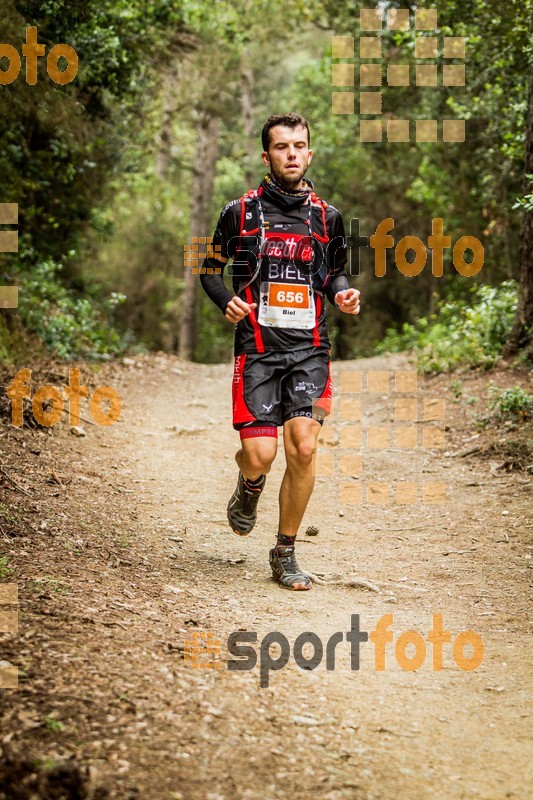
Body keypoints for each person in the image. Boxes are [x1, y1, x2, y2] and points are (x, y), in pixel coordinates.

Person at [200, 112, 360, 591]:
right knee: (260, 455)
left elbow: (336, 274)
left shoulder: (330, 218)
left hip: (311, 349)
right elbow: (209, 266)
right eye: (282, 147)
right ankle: (249, 487)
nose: (292, 154)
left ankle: (285, 551)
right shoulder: (239, 212)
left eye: (299, 146)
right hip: (258, 350)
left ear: (309, 153)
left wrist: (343, 294)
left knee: (304, 447)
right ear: (266, 155)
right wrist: (224, 298)